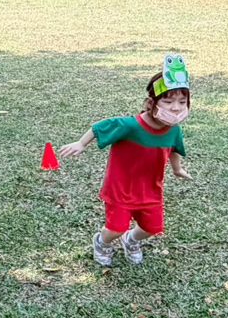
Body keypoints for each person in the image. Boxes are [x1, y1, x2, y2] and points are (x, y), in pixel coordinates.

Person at [60, 54, 192, 266]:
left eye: (182, 102)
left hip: (150, 190)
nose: (176, 108)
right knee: (116, 228)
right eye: (168, 101)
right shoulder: (130, 126)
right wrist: (81, 143)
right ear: (151, 103)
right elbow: (100, 127)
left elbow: (174, 149)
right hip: (120, 189)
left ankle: (131, 240)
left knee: (152, 227)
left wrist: (177, 169)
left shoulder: (174, 130)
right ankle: (102, 242)